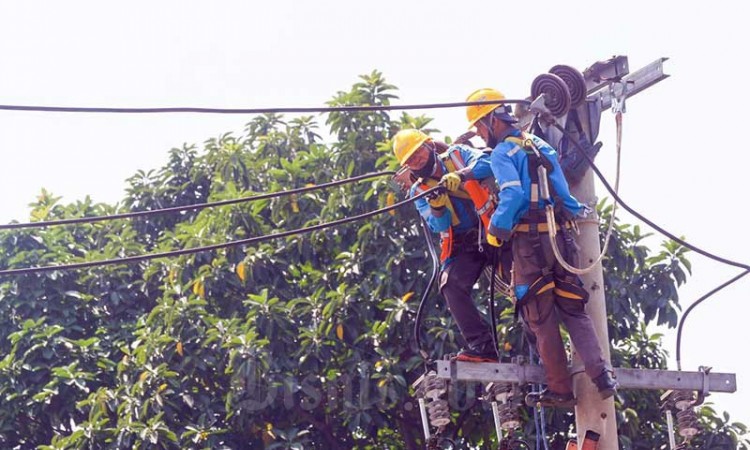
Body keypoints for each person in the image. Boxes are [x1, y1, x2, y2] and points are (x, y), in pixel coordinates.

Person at [464, 88, 618, 407]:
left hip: (528, 245)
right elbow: (563, 192)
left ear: (493, 120)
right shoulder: (539, 145)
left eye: (480, 126)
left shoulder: (501, 154)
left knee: (540, 316)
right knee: (573, 308)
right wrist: (464, 174)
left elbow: (514, 195)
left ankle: (561, 390)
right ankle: (602, 376)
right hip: (561, 238)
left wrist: (496, 231)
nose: (479, 133)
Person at [392, 128, 500, 362]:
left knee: (523, 287)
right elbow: (437, 225)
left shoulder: (457, 155)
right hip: (465, 245)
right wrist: (438, 207)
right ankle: (482, 345)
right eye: (410, 159)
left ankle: (539, 348)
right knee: (450, 284)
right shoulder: (419, 189)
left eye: (418, 152)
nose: (417, 159)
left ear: (429, 145)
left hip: (495, 230)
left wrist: (462, 175)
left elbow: (487, 162)